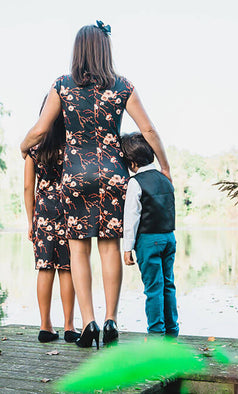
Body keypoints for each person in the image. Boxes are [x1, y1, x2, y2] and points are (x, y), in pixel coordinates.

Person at [20, 21, 171, 349]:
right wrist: (165, 166)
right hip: (113, 174)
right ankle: (111, 319)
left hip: (75, 176)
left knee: (78, 249)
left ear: (77, 50)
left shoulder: (61, 86)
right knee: (108, 247)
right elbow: (148, 130)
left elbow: (40, 129)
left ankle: (87, 321)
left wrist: (23, 146)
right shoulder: (122, 86)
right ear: (105, 50)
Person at [24, 102, 79, 344]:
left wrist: (30, 221)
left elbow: (28, 187)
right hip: (69, 210)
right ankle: (69, 326)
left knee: (45, 267)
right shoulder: (73, 147)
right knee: (67, 268)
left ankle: (45, 326)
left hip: (44, 211)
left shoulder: (34, 149)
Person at [120, 132, 178, 337]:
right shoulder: (165, 179)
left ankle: (155, 335)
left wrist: (127, 248)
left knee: (153, 288)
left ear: (133, 162)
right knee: (168, 285)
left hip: (148, 240)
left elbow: (132, 217)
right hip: (169, 238)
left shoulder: (136, 183)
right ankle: (172, 331)